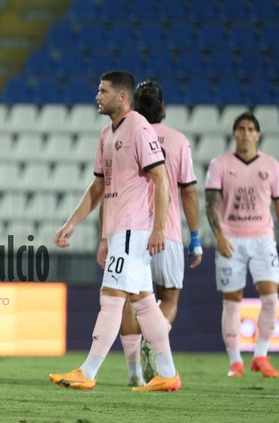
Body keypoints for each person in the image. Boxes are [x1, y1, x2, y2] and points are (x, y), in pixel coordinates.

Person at [50, 70, 181, 392]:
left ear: (122, 97)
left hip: (135, 229)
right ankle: (167, 373)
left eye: (103, 91)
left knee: (110, 298)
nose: (97, 96)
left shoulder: (139, 128)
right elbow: (99, 186)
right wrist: (74, 223)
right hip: (121, 230)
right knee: (144, 302)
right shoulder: (106, 134)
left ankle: (88, 371)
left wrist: (159, 227)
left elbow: (161, 179)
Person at [101, 80, 202, 385]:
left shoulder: (127, 133)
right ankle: (154, 339)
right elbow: (188, 192)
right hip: (166, 232)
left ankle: (134, 371)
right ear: (162, 107)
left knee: (131, 298)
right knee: (168, 298)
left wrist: (105, 235)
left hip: (131, 230)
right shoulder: (178, 140)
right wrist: (195, 237)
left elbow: (107, 188)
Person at [206, 112, 279, 378]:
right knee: (231, 301)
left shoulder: (272, 165)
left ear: (258, 134)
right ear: (234, 133)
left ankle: (260, 355)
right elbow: (210, 204)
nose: (246, 133)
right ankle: (235, 362)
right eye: (241, 128)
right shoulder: (220, 164)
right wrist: (219, 237)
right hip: (231, 239)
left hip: (263, 238)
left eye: (250, 129)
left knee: (271, 298)